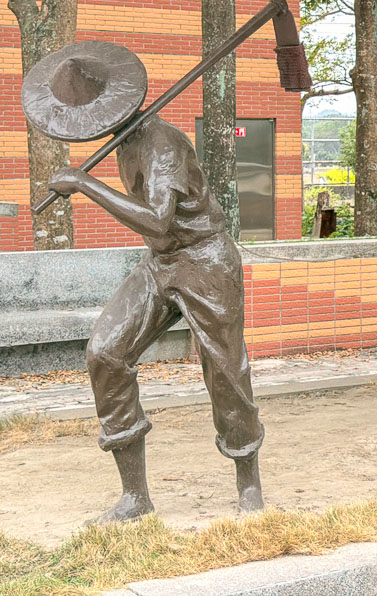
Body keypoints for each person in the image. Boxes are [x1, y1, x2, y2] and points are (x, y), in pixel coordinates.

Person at [22, 40, 265, 522]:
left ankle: (249, 483)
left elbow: (157, 219)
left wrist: (84, 184)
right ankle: (135, 497)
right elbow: (158, 234)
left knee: (224, 371)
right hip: (161, 261)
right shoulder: (126, 140)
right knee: (105, 352)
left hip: (205, 261)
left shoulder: (161, 143)